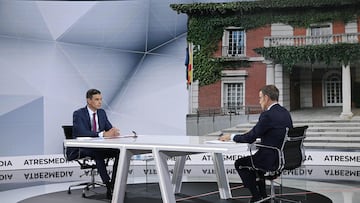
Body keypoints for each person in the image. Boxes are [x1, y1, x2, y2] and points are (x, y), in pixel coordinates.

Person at [219, 85, 293, 202]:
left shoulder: (267, 115)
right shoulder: (285, 113)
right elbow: (271, 131)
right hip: (282, 157)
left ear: (266, 98)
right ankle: (263, 195)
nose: (259, 101)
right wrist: (253, 132)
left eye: (260, 98)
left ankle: (257, 196)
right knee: (255, 167)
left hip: (269, 158)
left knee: (240, 164)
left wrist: (231, 136)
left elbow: (251, 138)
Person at [72, 88, 120, 199]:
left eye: (101, 99)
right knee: (97, 153)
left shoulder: (102, 113)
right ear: (89, 101)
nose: (100, 102)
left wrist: (114, 131)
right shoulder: (78, 114)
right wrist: (102, 134)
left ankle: (114, 183)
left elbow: (109, 128)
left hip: (100, 147)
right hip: (84, 148)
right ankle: (108, 185)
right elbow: (81, 132)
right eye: (97, 99)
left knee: (119, 152)